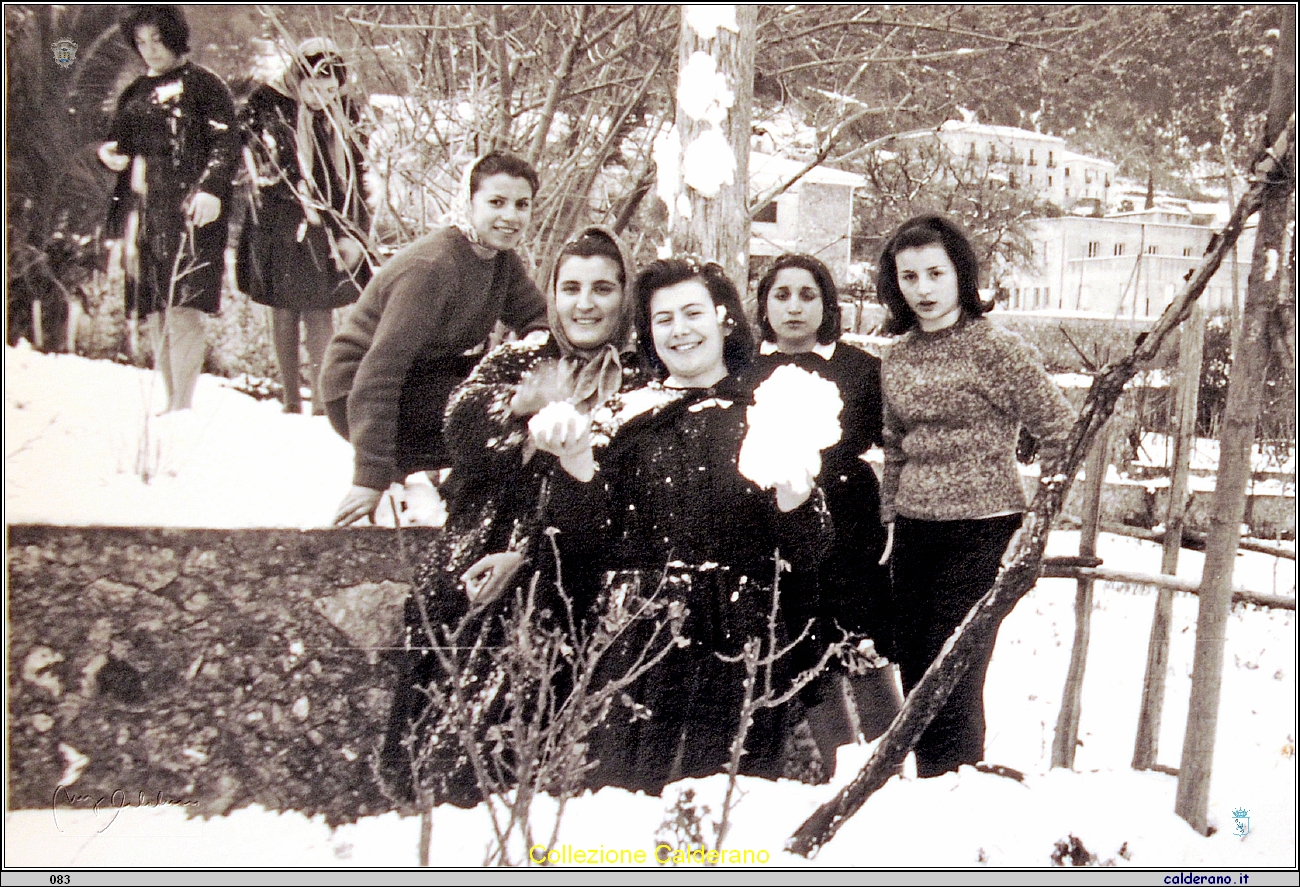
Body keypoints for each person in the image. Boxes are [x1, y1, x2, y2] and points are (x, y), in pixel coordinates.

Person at [538, 258, 834, 796]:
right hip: (639, 638)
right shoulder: (622, 418)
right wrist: (578, 465)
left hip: (738, 633)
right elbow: (581, 542)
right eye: (663, 318)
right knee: (629, 802)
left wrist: (795, 498)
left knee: (732, 807)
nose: (680, 329)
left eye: (693, 312)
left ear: (724, 320)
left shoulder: (769, 412)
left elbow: (811, 547)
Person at [377, 225, 643, 806]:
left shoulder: (641, 373)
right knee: (448, 744)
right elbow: (460, 423)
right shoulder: (521, 359)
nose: (585, 303)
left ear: (625, 296)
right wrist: (524, 410)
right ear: (551, 293)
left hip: (571, 573)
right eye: (570, 287)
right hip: (478, 563)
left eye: (603, 287)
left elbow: (628, 486)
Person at [876, 215, 1076, 778]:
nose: (923, 288)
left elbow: (1063, 430)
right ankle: (932, 791)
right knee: (916, 669)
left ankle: (959, 793)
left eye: (935, 272)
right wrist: (891, 517)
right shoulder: (898, 357)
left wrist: (1036, 524)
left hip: (985, 529)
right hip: (915, 532)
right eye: (909, 276)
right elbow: (895, 446)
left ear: (961, 273)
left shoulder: (998, 349)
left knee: (955, 668)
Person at [322, 152, 548, 526]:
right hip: (354, 393)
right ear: (468, 202)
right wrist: (369, 477)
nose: (511, 216)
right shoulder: (433, 268)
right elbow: (379, 374)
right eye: (496, 202)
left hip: (417, 379)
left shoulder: (500, 261)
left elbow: (537, 316)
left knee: (512, 392)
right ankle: (446, 504)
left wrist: (536, 350)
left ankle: (458, 503)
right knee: (496, 409)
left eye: (521, 205)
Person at [750, 254, 902, 773]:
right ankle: (834, 767)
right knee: (805, 648)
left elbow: (903, 442)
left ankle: (888, 768)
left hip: (850, 521)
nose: (794, 307)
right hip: (779, 528)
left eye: (807, 295)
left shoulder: (860, 368)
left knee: (862, 643)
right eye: (781, 295)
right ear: (764, 304)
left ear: (827, 304)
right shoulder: (744, 370)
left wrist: (891, 511)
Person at [100, 5, 238, 413]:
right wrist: (107, 155)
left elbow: (227, 143)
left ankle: (183, 404)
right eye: (141, 42)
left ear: (175, 37)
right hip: (144, 214)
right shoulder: (135, 91)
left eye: (157, 40)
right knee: (156, 309)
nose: (149, 50)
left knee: (184, 306)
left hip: (194, 210)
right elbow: (117, 144)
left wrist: (211, 189)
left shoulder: (205, 85)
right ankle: (170, 400)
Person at [237, 38, 373, 415]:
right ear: (297, 78)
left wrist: (354, 229)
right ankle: (290, 399)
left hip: (327, 219)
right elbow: (256, 160)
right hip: (279, 220)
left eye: (330, 90)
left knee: (319, 309)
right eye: (313, 87)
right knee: (282, 309)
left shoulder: (342, 113)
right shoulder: (268, 104)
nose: (320, 97)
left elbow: (357, 170)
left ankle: (322, 400)